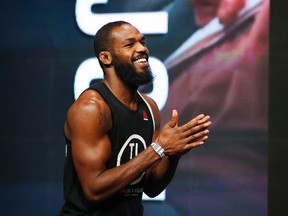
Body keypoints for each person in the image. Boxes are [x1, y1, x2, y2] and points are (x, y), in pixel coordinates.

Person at [58, 21, 212, 216]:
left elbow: (151, 187)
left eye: (143, 42)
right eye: (129, 45)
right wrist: (159, 149)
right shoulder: (91, 108)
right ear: (106, 58)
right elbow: (93, 190)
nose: (142, 49)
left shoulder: (149, 107)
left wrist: (173, 153)